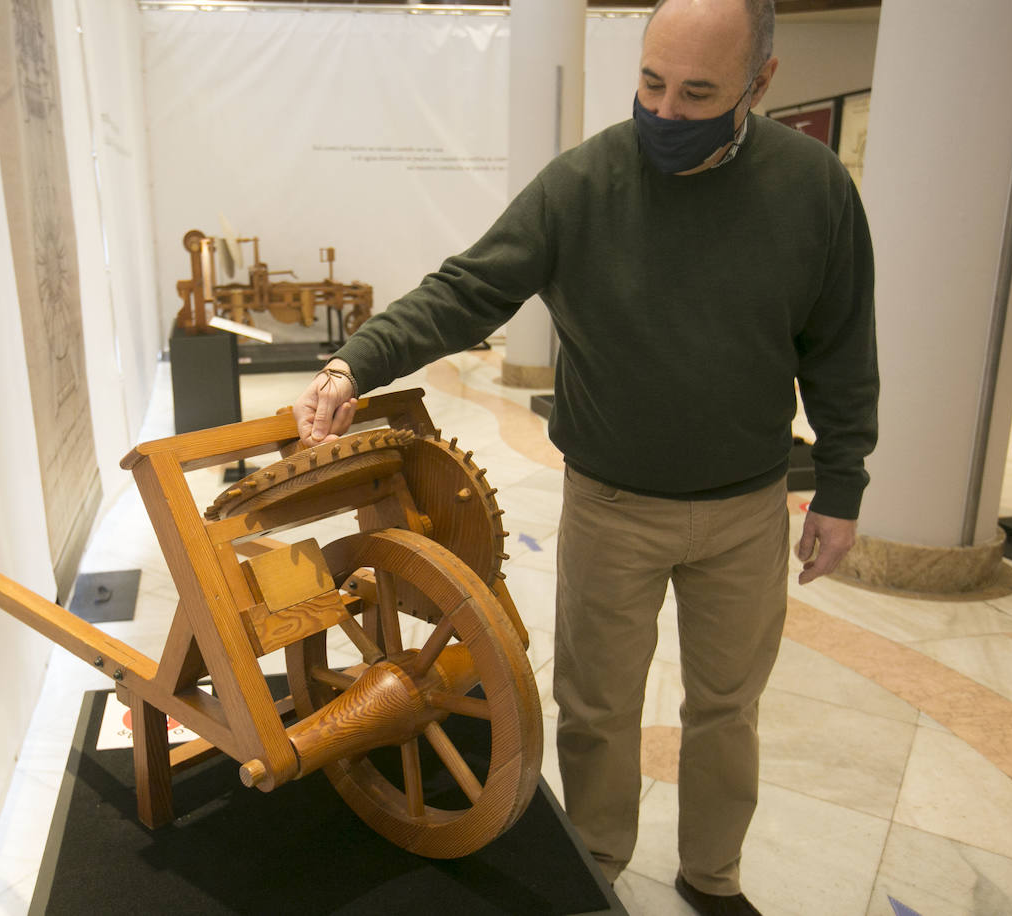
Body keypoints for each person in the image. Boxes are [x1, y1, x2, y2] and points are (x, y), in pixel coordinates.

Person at [293, 0, 877, 913]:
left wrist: (841, 485)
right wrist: (352, 362)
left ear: (760, 83)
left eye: (698, 93)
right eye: (651, 83)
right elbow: (467, 289)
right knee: (599, 712)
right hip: (614, 506)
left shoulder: (813, 189)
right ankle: (596, 867)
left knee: (728, 711)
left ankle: (711, 876)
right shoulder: (584, 183)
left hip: (747, 509)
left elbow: (842, 344)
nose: (666, 113)